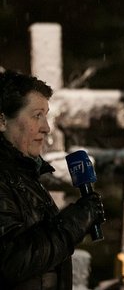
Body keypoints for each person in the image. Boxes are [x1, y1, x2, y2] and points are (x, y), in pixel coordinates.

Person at [0, 70, 105, 289]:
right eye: (36, 115)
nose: (46, 127)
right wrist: (74, 222)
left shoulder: (23, 176)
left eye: (45, 115)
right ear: (2, 121)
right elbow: (12, 261)